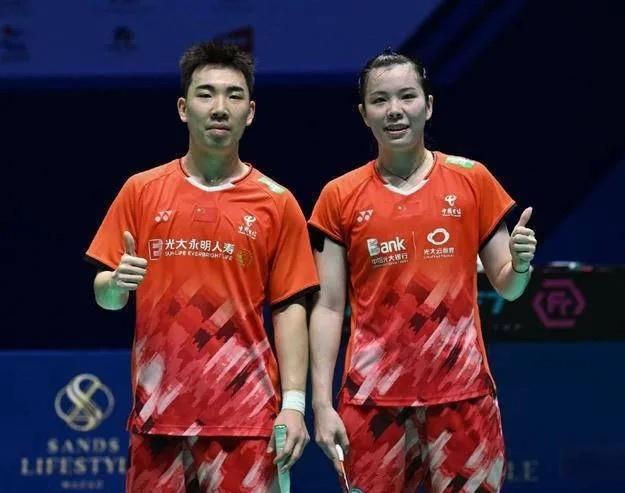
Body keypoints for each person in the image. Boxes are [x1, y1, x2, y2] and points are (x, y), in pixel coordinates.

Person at [85, 41, 318, 493]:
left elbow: (290, 307)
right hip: (157, 418)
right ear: (182, 108)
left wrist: (293, 404)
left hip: (246, 420)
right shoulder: (141, 191)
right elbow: (107, 297)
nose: (219, 107)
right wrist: (115, 284)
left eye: (234, 95)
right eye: (206, 94)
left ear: (250, 112)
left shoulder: (276, 203)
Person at [308, 49, 537, 493]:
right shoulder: (339, 196)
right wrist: (320, 403)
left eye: (407, 96)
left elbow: (508, 286)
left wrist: (521, 265)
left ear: (428, 105)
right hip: (372, 403)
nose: (394, 110)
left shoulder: (473, 180)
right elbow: (330, 306)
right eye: (380, 100)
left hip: (463, 396)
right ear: (364, 114)